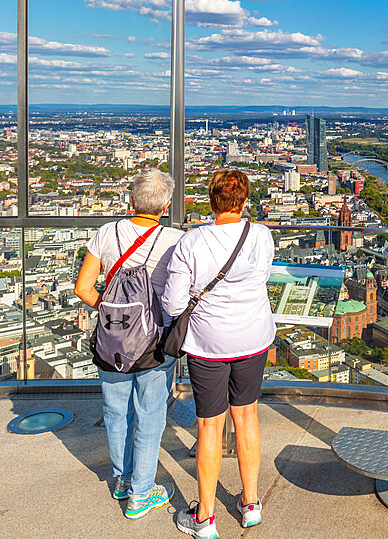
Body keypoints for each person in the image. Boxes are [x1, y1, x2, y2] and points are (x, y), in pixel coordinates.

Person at [163, 168, 276, 538]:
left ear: (211, 201)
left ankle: (205, 518)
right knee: (247, 416)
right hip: (252, 339)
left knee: (210, 425)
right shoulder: (261, 235)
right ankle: (251, 503)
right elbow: (261, 278)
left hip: (207, 344)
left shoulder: (191, 242)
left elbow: (175, 303)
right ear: (244, 201)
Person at [74, 168, 183, 519]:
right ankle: (141, 493)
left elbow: (83, 288)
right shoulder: (174, 240)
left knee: (115, 410)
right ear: (165, 206)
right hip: (155, 340)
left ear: (130, 200)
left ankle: (122, 479)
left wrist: (109, 310)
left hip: (111, 338)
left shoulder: (106, 233)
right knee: (150, 416)